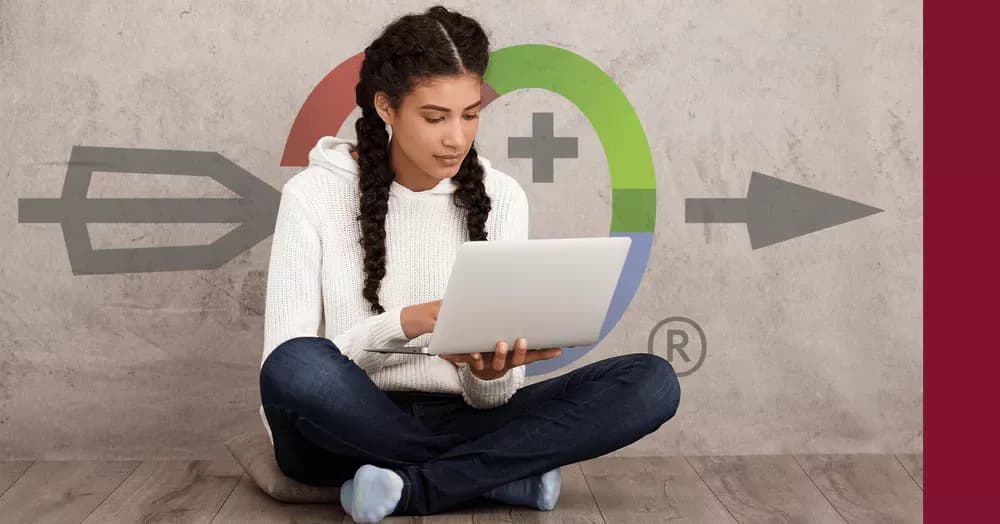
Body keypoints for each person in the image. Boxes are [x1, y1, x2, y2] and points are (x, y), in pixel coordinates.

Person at [258, 5, 681, 522]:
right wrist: (408, 323)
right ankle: (497, 475)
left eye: (471, 114)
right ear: (386, 107)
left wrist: (490, 375)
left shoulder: (501, 197)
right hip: (347, 425)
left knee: (651, 381)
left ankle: (418, 488)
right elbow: (283, 371)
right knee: (295, 365)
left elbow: (494, 398)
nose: (456, 137)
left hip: (465, 419)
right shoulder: (313, 195)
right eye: (435, 117)